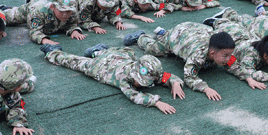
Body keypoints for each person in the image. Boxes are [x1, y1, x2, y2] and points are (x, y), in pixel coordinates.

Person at [41, 43, 184, 114]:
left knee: (127, 52)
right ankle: (52, 52)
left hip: (119, 58)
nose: (139, 83)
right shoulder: (125, 79)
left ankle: (98, 50)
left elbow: (165, 76)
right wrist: (156, 102)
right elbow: (134, 96)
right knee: (74, 62)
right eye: (139, 80)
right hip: (100, 67)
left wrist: (175, 82)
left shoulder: (149, 71)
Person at [124, 23, 236, 101]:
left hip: (197, 30)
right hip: (179, 35)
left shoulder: (222, 50)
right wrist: (206, 89)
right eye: (226, 56)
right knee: (153, 49)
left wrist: (248, 78)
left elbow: (234, 64)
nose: (229, 58)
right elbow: (189, 77)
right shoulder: (197, 56)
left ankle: (162, 33)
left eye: (230, 55)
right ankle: (142, 37)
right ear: (212, 53)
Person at [0, 0, 86, 45]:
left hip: (42, 3)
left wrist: (74, 31)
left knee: (39, 0)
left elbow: (72, 24)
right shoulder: (39, 13)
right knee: (5, 18)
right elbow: (34, 31)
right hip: (31, 9)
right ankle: (5, 8)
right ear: (53, 7)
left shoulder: (72, 12)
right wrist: (44, 40)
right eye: (61, 10)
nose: (65, 14)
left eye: (68, 11)